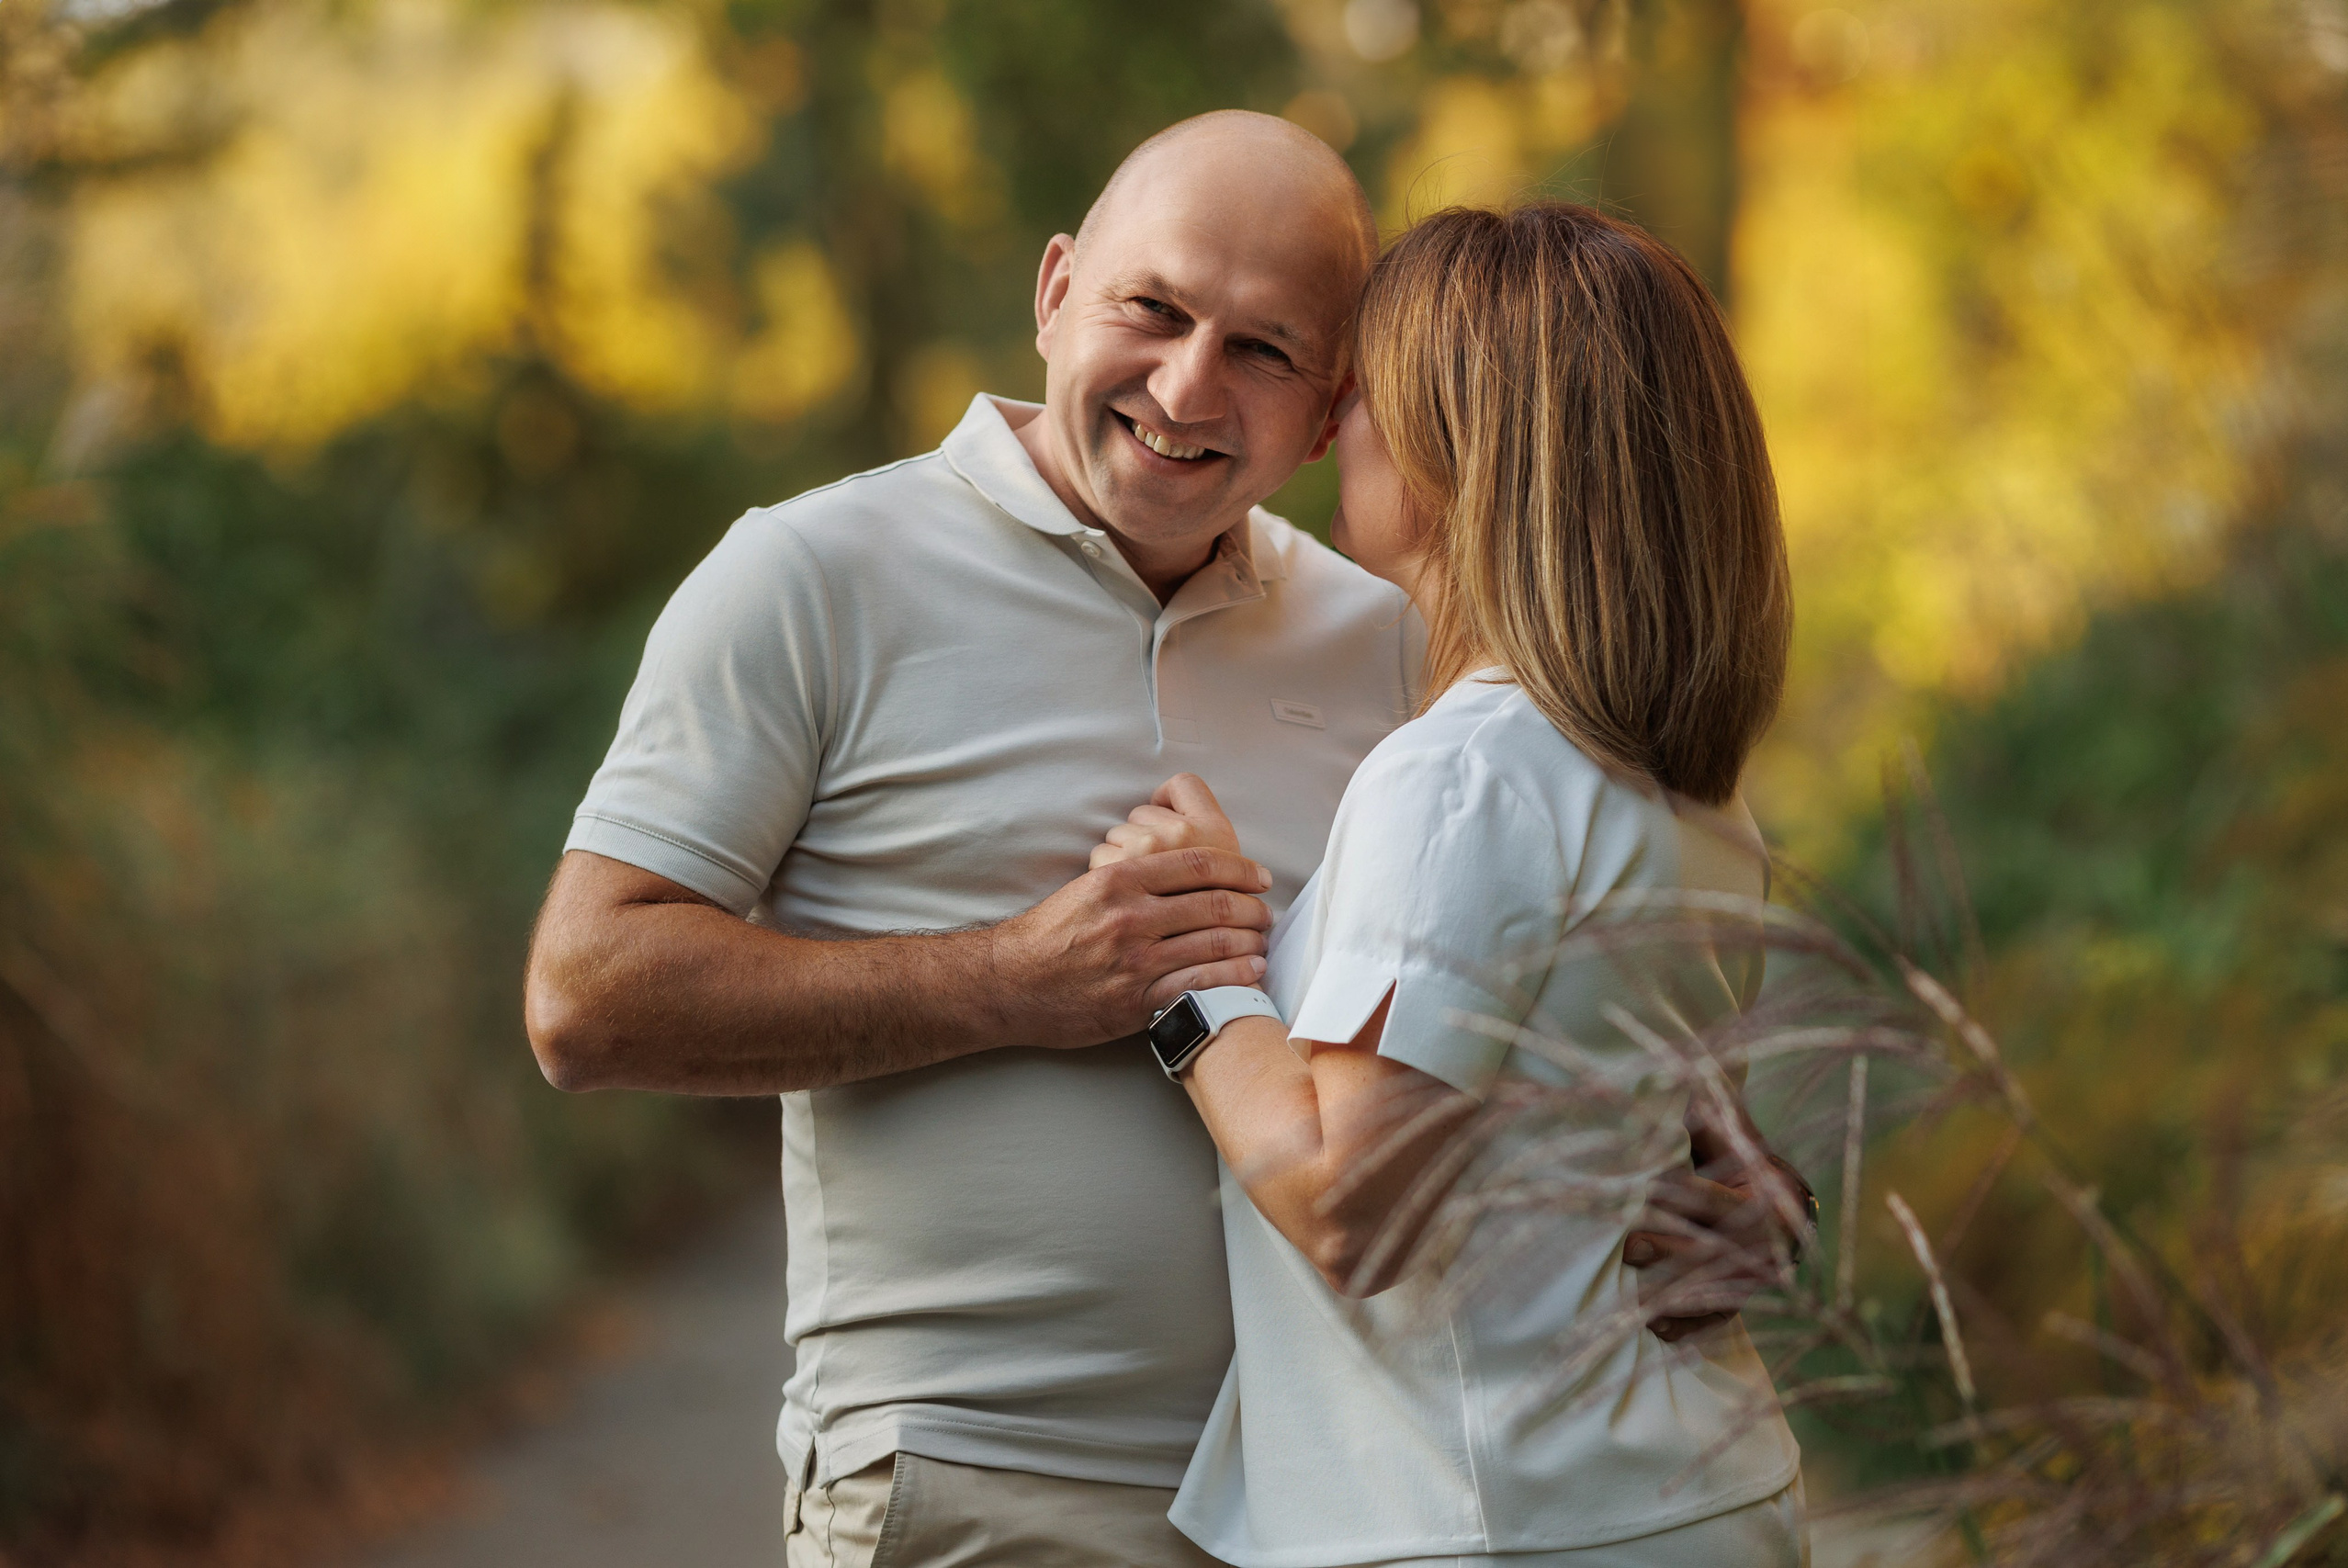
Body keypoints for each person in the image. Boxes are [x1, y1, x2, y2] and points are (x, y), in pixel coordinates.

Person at [525, 113, 1794, 1568]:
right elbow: (585, 999)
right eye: (1155, 308)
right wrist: (1009, 978)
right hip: (978, 1486)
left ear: (1333, 407)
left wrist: (1720, 1166)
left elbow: (1546, 947)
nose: (1188, 386)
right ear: (1057, 289)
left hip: (1330, 1506)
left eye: (1264, 349)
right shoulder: (810, 577)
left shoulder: (1398, 644)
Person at [1090, 204, 1811, 1565]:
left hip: (1509, 1522)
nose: (1335, 428)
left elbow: (1350, 1207)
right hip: (1679, 1489)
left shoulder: (1466, 775)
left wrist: (1194, 975)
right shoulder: (1691, 792)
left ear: (1470, 449)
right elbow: (1683, 1157)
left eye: (1367, 394)